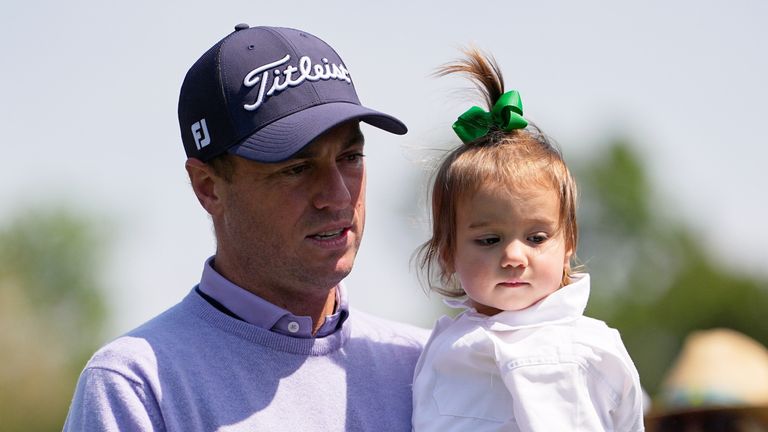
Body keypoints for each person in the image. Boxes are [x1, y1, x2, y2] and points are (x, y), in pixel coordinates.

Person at [64, 24, 428, 431]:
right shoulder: (136, 384)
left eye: (350, 158)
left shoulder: (428, 366)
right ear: (208, 187)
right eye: (297, 168)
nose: (338, 196)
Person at [411, 49, 645, 431]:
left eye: (536, 237)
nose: (514, 256)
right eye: (489, 240)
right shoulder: (445, 343)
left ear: (569, 244)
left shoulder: (571, 352)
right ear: (447, 252)